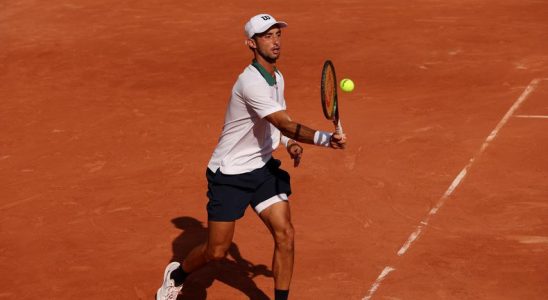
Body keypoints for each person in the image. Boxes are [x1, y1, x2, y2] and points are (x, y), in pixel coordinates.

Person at [156, 13, 347, 300]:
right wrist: (324, 139)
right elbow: (282, 121)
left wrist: (288, 143)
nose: (275, 41)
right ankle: (178, 275)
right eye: (266, 36)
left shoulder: (276, 76)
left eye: (277, 34)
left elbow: (277, 121)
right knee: (217, 251)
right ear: (251, 43)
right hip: (230, 174)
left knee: (286, 234)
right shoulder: (250, 82)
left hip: (262, 171)